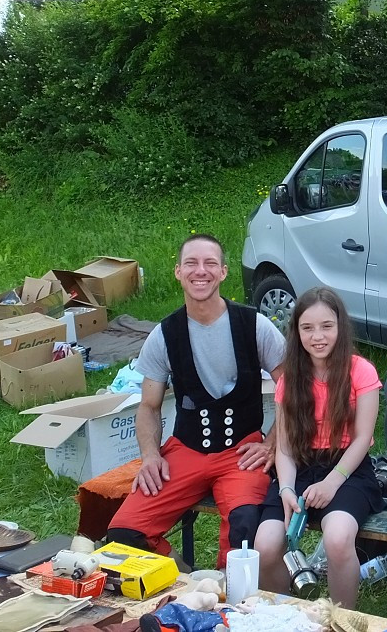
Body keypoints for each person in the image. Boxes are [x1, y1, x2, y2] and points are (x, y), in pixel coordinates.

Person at [106, 234, 285, 568]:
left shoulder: (254, 325)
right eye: (191, 263)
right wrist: (149, 456)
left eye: (209, 263)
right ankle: (188, 583)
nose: (200, 271)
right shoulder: (164, 334)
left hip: (241, 452)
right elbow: (148, 406)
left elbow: (292, 390)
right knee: (124, 535)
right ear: (178, 272)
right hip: (185, 450)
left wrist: (272, 443)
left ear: (223, 272)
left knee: (244, 531)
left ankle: (227, 601)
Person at [254, 287, 386, 610]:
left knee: (338, 538)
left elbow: (362, 439)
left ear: (340, 327)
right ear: (296, 331)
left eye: (327, 326)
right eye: (307, 328)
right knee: (266, 544)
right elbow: (284, 447)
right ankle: (280, 617)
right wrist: (285, 487)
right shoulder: (290, 378)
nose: (318, 336)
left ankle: (342, 619)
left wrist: (331, 482)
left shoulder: (361, 371)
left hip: (347, 468)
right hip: (298, 467)